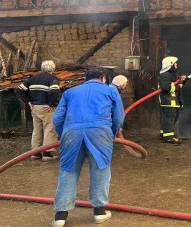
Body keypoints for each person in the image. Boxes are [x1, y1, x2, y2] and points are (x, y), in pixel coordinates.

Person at [51, 68, 124, 226]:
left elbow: (57, 118)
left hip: (71, 133)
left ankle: (60, 216)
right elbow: (118, 116)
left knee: (68, 170)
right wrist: (111, 132)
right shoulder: (110, 90)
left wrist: (64, 133)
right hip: (100, 132)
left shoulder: (70, 92)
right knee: (100, 169)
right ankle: (99, 212)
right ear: (103, 78)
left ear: (86, 78)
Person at [17, 60, 60, 161]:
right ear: (53, 69)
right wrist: (52, 104)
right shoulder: (53, 79)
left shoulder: (33, 78)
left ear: (42, 68)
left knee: (37, 129)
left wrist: (28, 102)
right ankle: (47, 153)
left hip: (35, 107)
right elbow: (54, 92)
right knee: (49, 129)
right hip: (46, 108)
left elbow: (18, 90)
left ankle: (35, 153)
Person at [157, 56, 186, 145]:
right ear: (170, 64)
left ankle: (164, 133)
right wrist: (179, 86)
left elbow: (177, 82)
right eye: (175, 63)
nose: (176, 64)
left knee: (170, 118)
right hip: (168, 101)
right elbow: (167, 87)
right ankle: (169, 137)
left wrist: (183, 80)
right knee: (170, 118)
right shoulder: (165, 75)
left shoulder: (172, 74)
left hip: (173, 101)